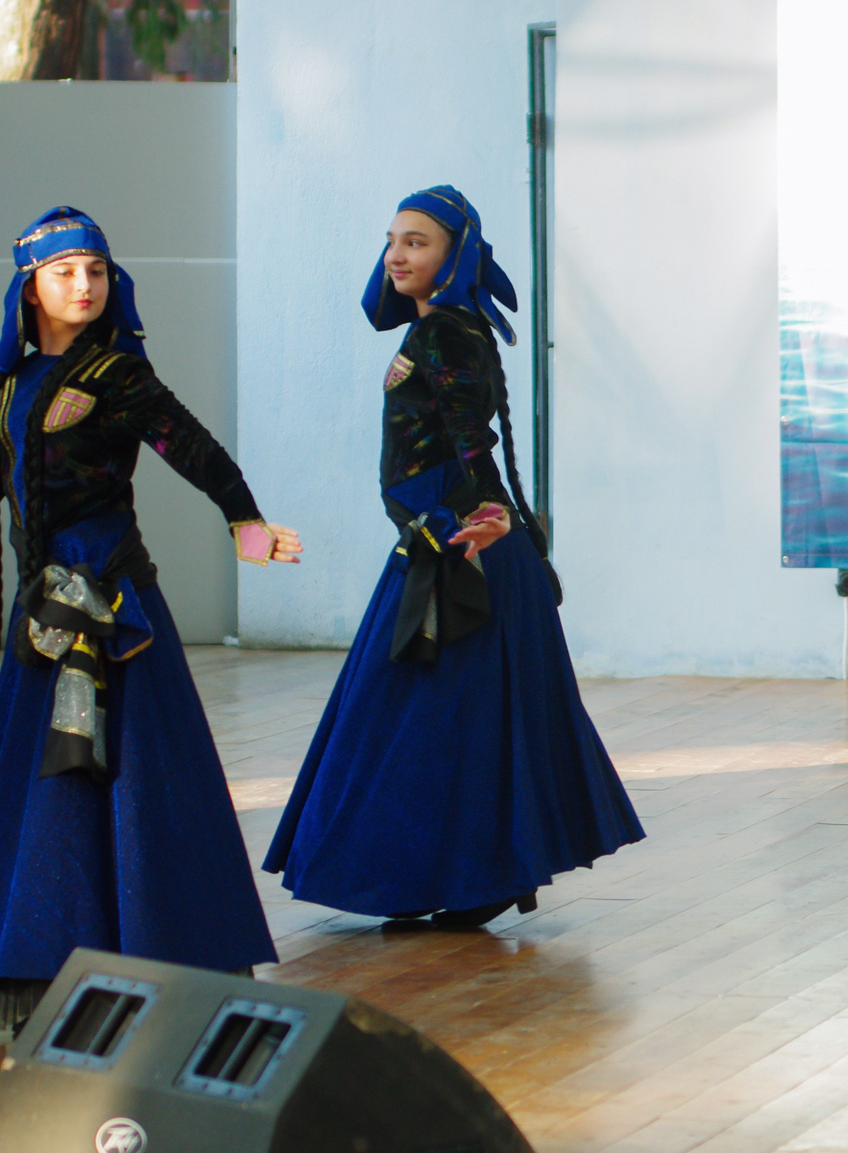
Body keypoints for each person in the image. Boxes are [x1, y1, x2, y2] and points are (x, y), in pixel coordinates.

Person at [263, 187, 642, 928]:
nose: (397, 255)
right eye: (392, 241)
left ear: (455, 255)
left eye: (417, 242)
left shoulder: (445, 333)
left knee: (431, 719)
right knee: (446, 721)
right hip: (447, 537)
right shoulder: (444, 328)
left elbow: (471, 435)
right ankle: (453, 876)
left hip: (461, 545)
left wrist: (481, 518)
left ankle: (454, 877)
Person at [0, 207, 301, 1040]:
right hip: (41, 613)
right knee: (39, 782)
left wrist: (245, 522)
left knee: (133, 779)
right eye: (65, 272)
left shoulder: (117, 373)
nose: (84, 285)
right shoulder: (12, 383)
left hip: (114, 606)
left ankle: (169, 957)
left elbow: (191, 447)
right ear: (30, 286)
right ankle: (36, 964)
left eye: (96, 270)